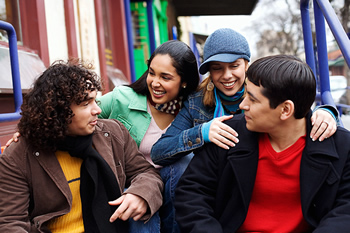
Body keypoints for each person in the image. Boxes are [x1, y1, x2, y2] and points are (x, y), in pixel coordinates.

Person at [174, 55, 350, 232]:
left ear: (285, 110)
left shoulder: (341, 146)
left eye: (253, 99)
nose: (243, 105)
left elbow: (345, 210)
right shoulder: (227, 133)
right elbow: (192, 194)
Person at [0, 60, 163, 233]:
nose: (97, 110)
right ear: (59, 110)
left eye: (95, 100)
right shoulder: (19, 154)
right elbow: (10, 222)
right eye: (86, 103)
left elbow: (147, 173)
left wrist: (140, 194)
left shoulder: (113, 133)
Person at [151, 28, 338, 167]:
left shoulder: (266, 92)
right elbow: (159, 152)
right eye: (217, 68)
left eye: (234, 66)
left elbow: (295, 113)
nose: (226, 76)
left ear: (246, 65)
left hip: (257, 174)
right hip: (214, 177)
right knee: (176, 169)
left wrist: (326, 112)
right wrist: (202, 132)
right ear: (209, 72)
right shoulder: (196, 102)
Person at [97, 40, 200, 233]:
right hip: (132, 185)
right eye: (152, 73)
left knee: (182, 164)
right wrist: (30, 129)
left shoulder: (193, 111)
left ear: (184, 81)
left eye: (166, 77)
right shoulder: (122, 98)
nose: (155, 82)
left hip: (175, 191)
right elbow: (80, 111)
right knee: (137, 208)